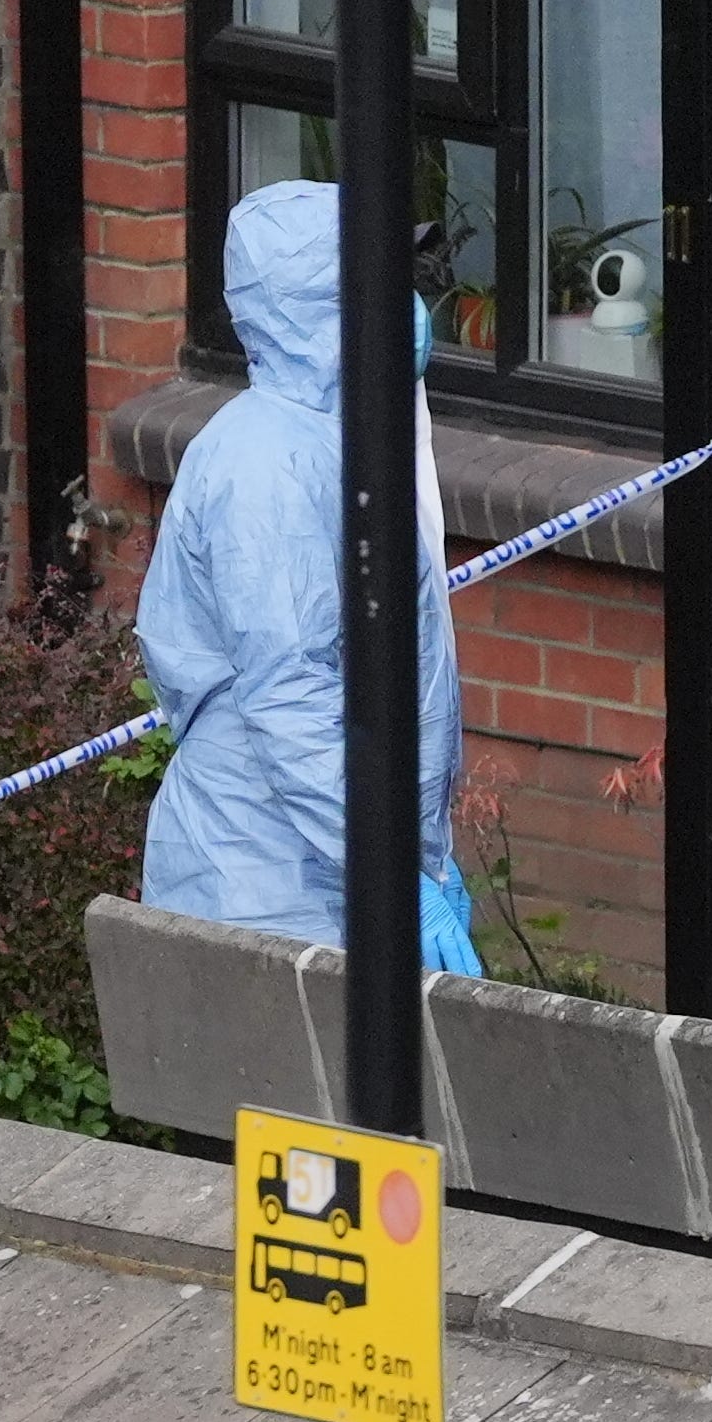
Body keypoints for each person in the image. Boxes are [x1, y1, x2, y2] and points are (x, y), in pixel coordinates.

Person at [136, 181, 479, 972]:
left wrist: (421, 855)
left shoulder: (332, 442)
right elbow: (293, 700)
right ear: (320, 305)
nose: (413, 309)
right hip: (269, 894)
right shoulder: (271, 472)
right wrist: (396, 869)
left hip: (316, 874)